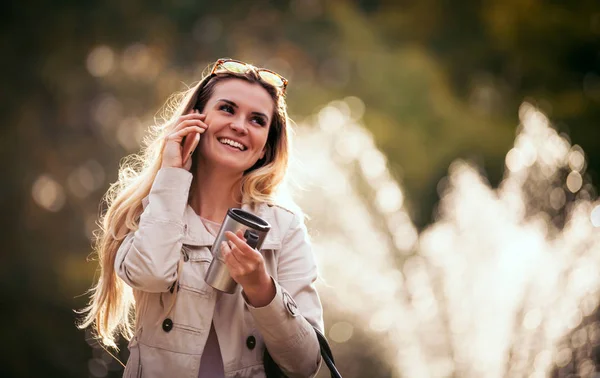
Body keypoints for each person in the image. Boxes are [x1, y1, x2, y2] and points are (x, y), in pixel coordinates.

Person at [79, 58, 324, 378]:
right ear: (195, 119)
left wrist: (261, 287)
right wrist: (170, 176)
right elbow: (151, 274)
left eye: (257, 120)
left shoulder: (285, 229)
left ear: (265, 147)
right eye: (227, 109)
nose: (239, 125)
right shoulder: (146, 210)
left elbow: (305, 364)